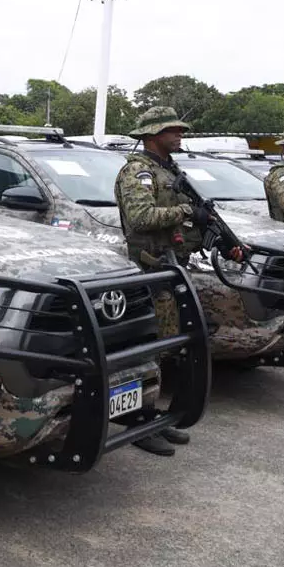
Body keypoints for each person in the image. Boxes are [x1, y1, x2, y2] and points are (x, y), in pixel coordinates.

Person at [113, 106, 208, 457]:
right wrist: (186, 212)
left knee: (167, 347)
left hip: (171, 271)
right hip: (149, 273)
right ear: (153, 134)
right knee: (147, 349)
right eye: (173, 130)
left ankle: (152, 415)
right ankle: (138, 420)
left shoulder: (170, 170)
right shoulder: (137, 172)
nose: (180, 135)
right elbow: (141, 217)